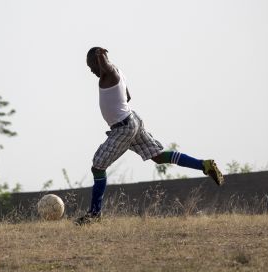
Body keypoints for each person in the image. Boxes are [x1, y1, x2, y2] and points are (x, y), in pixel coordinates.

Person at [75, 47, 224, 225]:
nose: (92, 71)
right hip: (132, 120)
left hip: (123, 127)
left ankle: (94, 214)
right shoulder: (117, 73)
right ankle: (204, 165)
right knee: (159, 157)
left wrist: (100, 56)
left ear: (99, 61)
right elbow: (128, 97)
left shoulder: (110, 71)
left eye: (92, 66)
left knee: (98, 167)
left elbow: (106, 67)